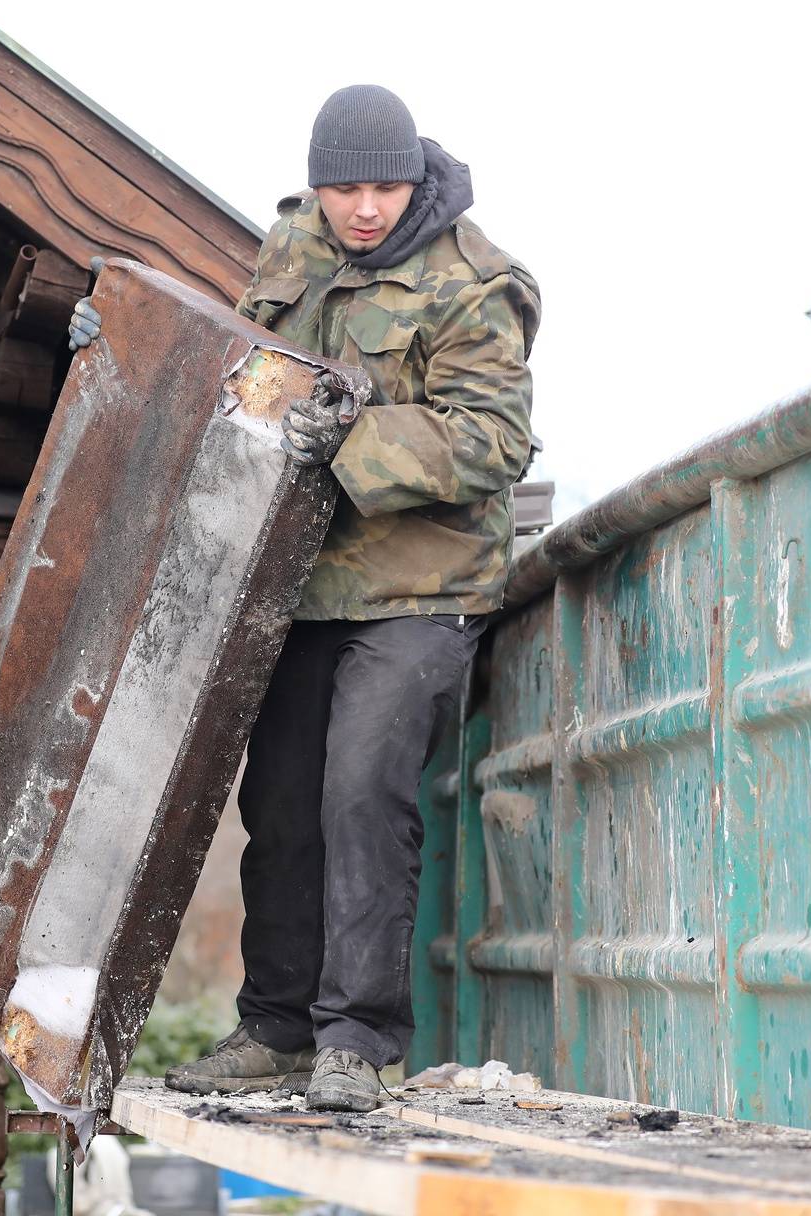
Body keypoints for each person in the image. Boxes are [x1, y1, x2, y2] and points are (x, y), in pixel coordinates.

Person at [70, 84, 539, 1112]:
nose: (364, 208)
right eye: (344, 187)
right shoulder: (292, 245)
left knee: (362, 786)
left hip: (423, 585)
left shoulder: (475, 282)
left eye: (383, 187)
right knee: (278, 801)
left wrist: (358, 440)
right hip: (306, 578)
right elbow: (235, 364)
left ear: (414, 181)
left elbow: (497, 440)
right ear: (318, 184)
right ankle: (280, 1027)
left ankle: (359, 1039)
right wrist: (116, 346)